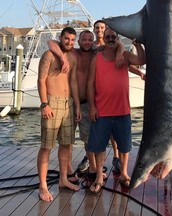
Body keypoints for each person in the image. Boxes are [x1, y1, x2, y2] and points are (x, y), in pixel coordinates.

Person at [87, 28, 145, 193]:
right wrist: (92, 107)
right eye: (108, 37)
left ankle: (124, 173)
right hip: (101, 112)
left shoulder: (125, 56)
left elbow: (142, 59)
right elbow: (90, 84)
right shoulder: (96, 59)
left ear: (117, 38)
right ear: (103, 39)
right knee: (99, 147)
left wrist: (137, 44)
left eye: (113, 36)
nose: (111, 39)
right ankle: (99, 176)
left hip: (122, 111)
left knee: (124, 146)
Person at [37, 27, 81, 202]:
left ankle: (63, 179)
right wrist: (44, 104)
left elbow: (74, 83)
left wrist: (77, 105)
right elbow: (41, 80)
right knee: (47, 146)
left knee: (66, 144)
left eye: (72, 40)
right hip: (51, 103)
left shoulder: (73, 58)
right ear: (61, 38)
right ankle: (42, 186)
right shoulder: (49, 55)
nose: (69, 42)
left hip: (68, 103)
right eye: (66, 39)